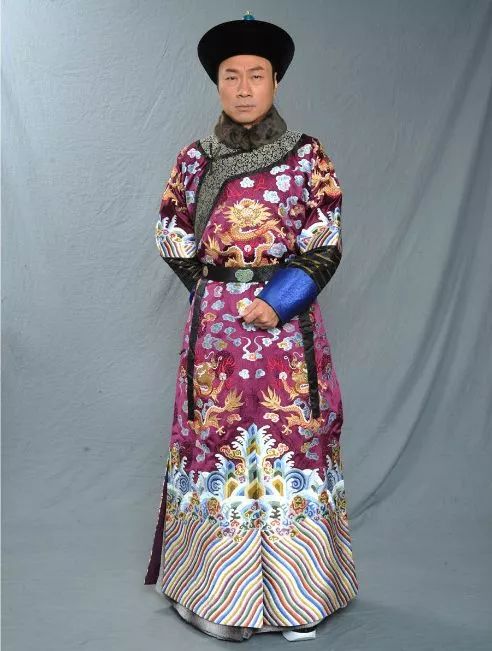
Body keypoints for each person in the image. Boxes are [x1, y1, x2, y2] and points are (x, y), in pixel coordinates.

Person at [144, 12, 359, 642]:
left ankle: (299, 598)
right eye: (231, 76)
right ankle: (217, 597)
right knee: (216, 446)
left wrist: (278, 300)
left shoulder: (307, 156)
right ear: (217, 84)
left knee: (293, 444)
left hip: (287, 334)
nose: (243, 88)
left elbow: (325, 238)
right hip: (216, 334)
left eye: (256, 75)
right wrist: (215, 292)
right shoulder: (195, 160)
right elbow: (171, 232)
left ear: (275, 82)